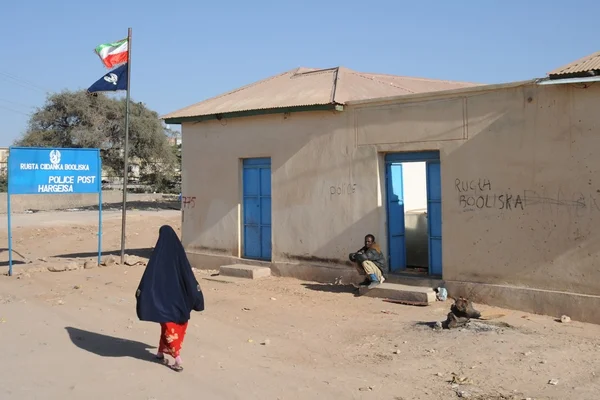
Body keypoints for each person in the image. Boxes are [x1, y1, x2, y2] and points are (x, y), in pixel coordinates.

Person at [135, 225, 205, 372]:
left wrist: (142, 293)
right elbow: (189, 277)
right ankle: (160, 353)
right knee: (167, 328)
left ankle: (178, 359)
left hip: (163, 302)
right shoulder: (179, 256)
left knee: (168, 329)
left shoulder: (158, 257)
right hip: (179, 302)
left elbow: (149, 278)